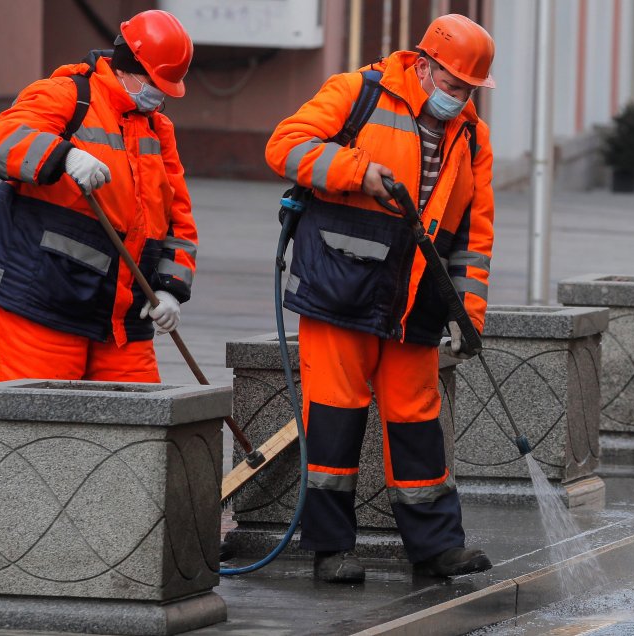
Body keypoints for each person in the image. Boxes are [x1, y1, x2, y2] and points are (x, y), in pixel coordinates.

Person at [265, 13, 496, 583]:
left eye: (470, 89)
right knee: (335, 415)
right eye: (453, 85)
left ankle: (437, 547)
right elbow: (284, 148)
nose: (460, 98)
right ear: (424, 64)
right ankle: (331, 548)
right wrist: (355, 171)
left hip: (416, 299)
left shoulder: (471, 135)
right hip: (341, 286)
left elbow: (474, 236)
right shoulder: (357, 93)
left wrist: (469, 315)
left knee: (417, 418)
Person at [0, 10, 198, 383]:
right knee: (41, 429)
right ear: (126, 66)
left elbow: (178, 219)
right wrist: (62, 155)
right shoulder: (66, 94)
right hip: (43, 300)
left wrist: (170, 289)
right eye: (152, 83)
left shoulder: (157, 128)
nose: (157, 96)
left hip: (122, 316)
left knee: (142, 432)